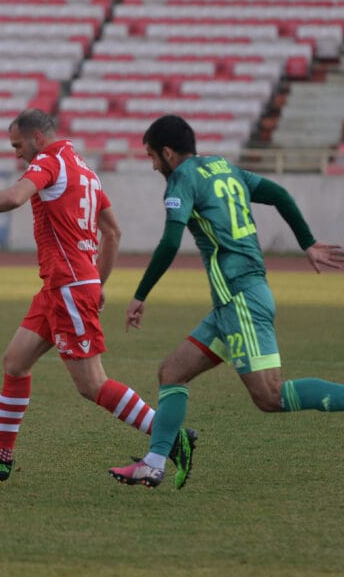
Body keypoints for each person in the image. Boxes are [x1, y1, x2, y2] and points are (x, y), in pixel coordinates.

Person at [0, 109, 195, 485]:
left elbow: (16, 196)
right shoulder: (84, 169)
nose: (17, 154)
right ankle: (1, 457)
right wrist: (97, 282)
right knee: (15, 361)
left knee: (92, 384)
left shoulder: (50, 162)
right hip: (62, 286)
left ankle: (170, 437)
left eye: (18, 146)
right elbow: (113, 232)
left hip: (67, 286)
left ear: (37, 137)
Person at [109, 114, 344, 488]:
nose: (153, 165)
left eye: (153, 156)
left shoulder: (182, 179)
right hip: (230, 304)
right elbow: (280, 194)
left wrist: (139, 295)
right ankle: (153, 463)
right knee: (172, 373)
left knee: (269, 396)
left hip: (241, 300)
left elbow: (170, 242)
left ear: (168, 153)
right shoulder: (223, 168)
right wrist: (307, 242)